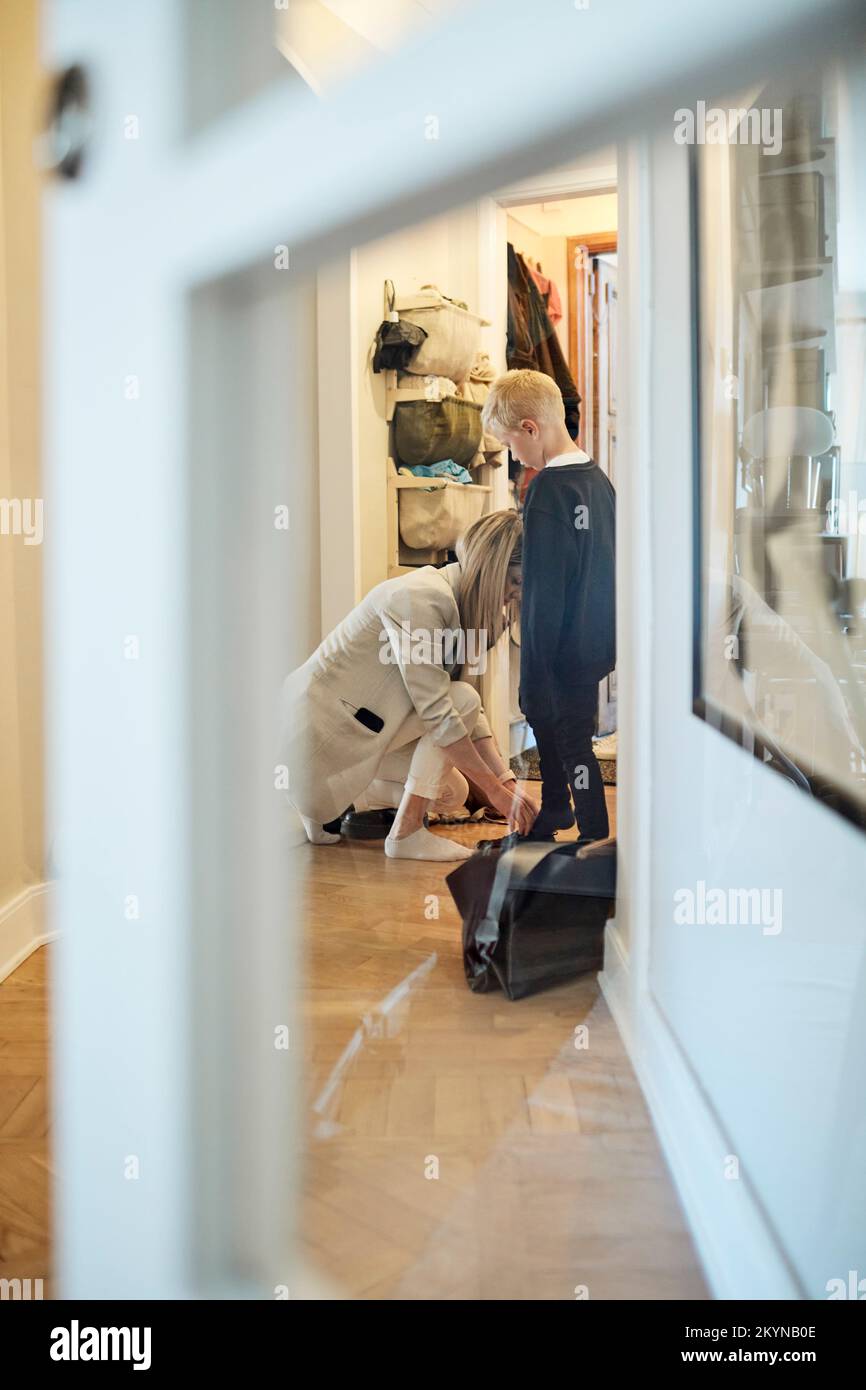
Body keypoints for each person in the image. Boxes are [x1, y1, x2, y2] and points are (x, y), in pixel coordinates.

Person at [280, 511, 537, 861]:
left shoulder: (467, 614)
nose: (516, 596)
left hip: (344, 744)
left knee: (453, 793)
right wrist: (494, 792)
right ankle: (405, 833)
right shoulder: (421, 598)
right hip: (312, 748)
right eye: (516, 582)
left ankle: (329, 808)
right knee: (456, 704)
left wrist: (507, 784)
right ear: (492, 568)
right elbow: (441, 711)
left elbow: (471, 716)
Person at [482, 369, 616, 844]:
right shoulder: (598, 482)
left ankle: (595, 837)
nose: (513, 456)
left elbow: (544, 594)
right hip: (594, 641)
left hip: (559, 649)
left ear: (530, 429)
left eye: (510, 443)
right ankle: (558, 808)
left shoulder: (546, 493)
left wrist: (533, 674)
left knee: (572, 741)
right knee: (559, 730)